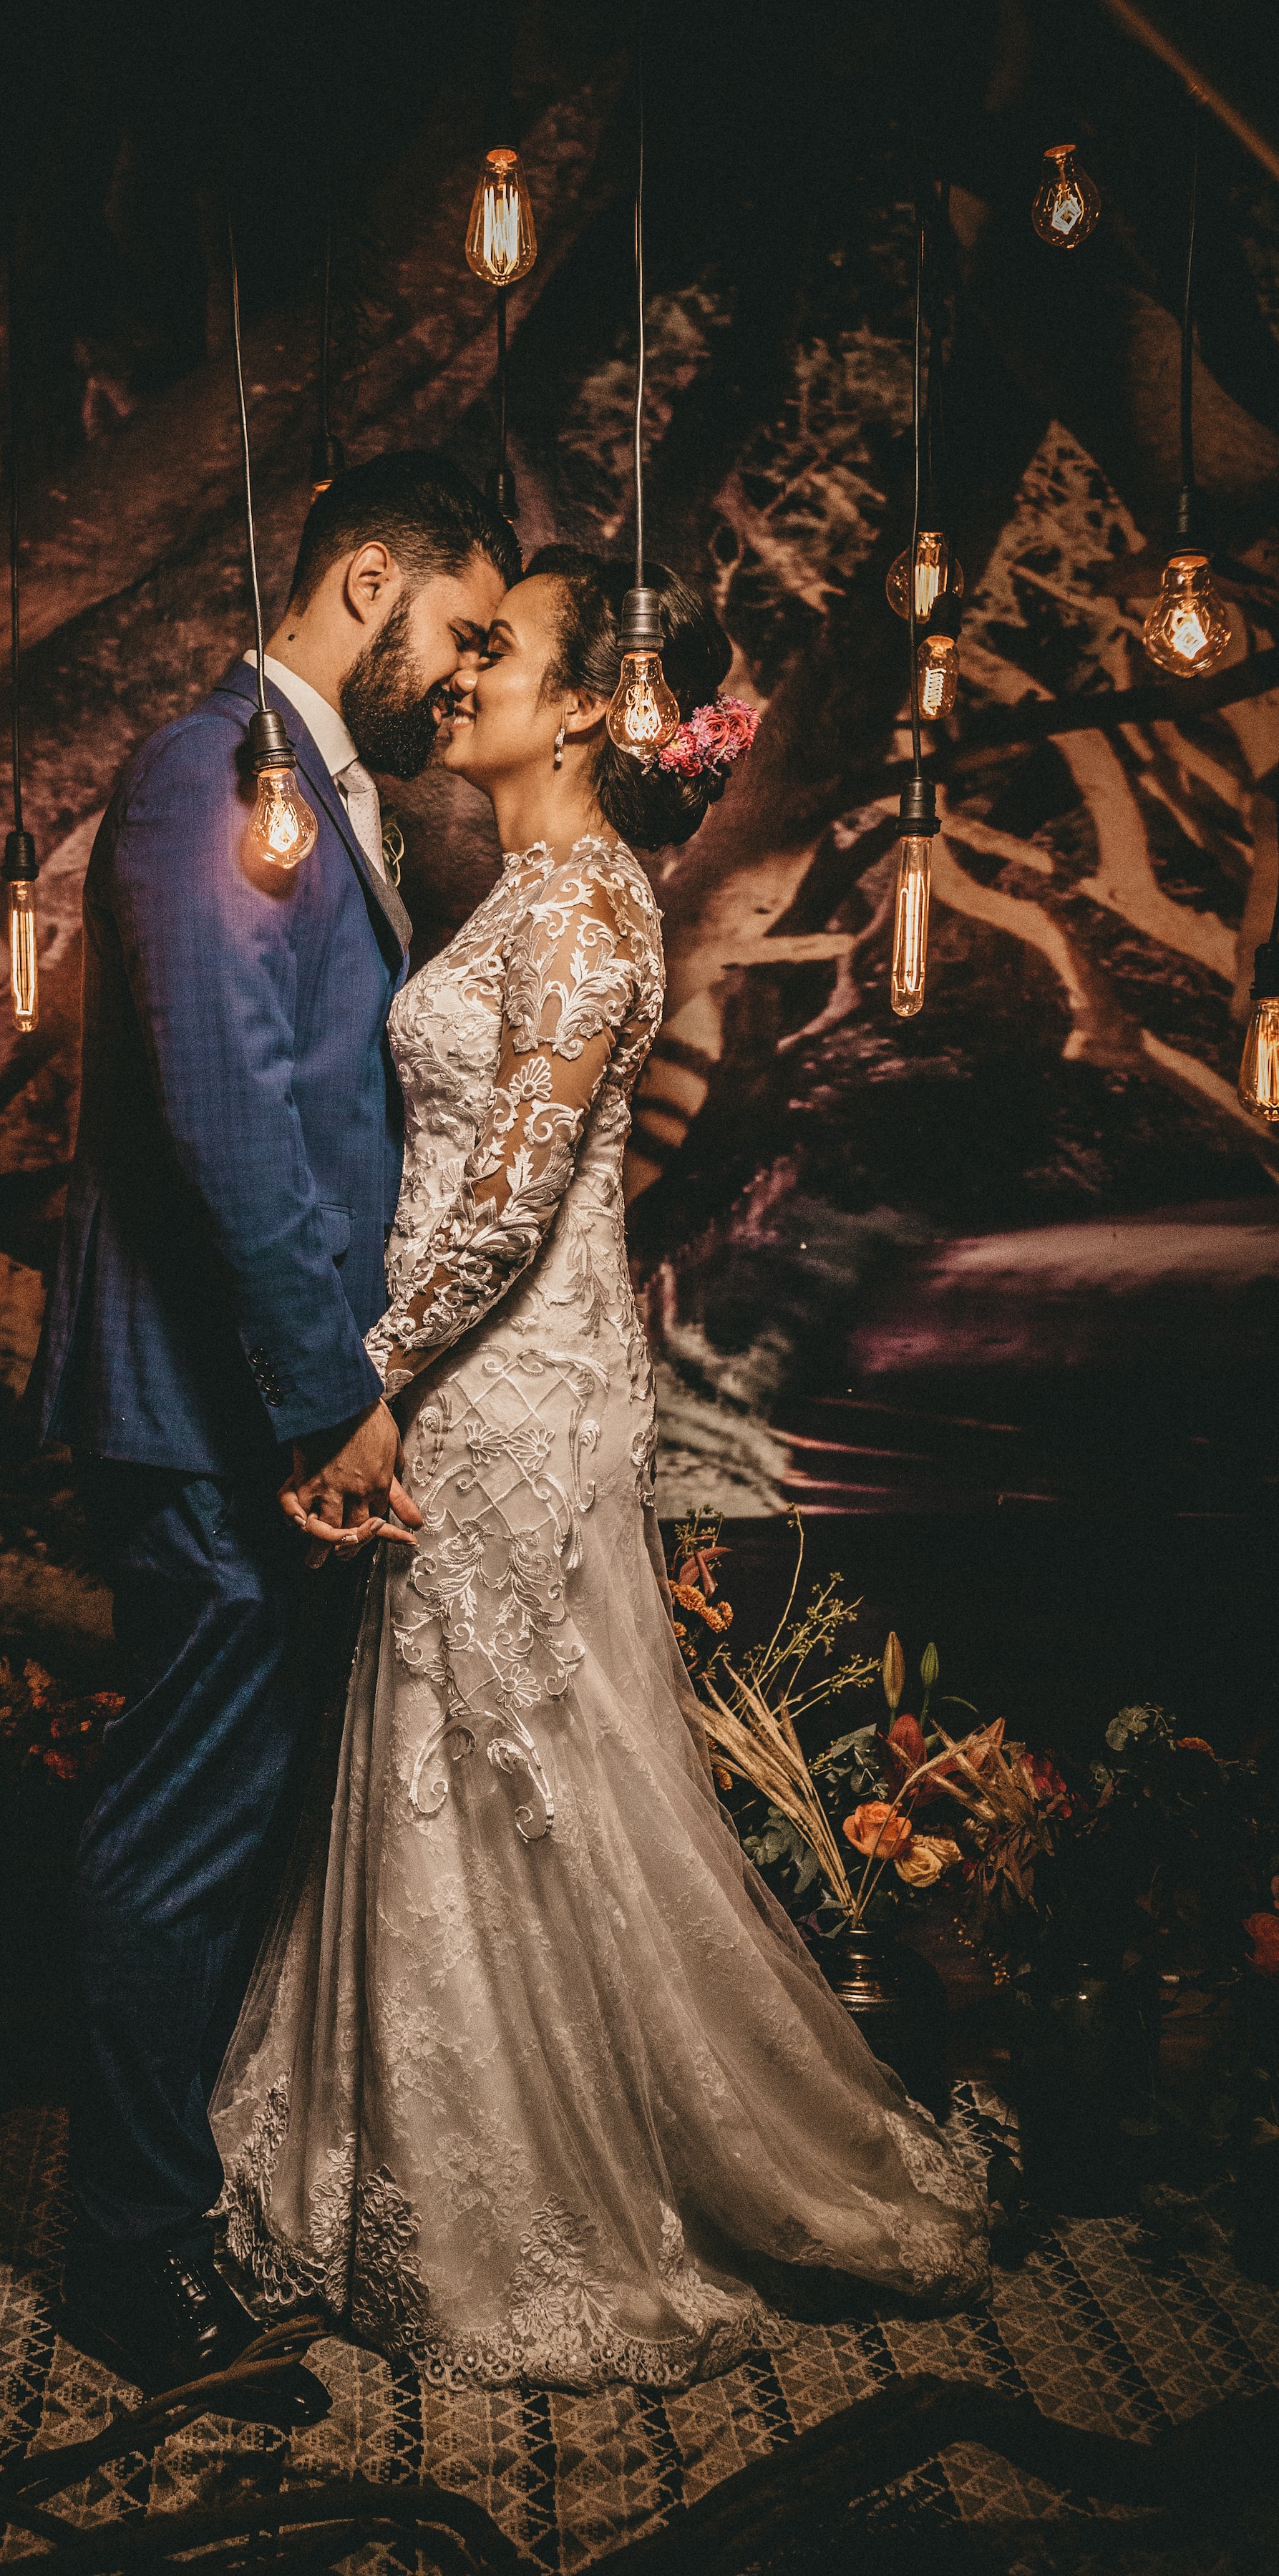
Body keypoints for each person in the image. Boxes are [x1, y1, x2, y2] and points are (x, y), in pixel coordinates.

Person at [210, 546, 991, 2390]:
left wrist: (363, 1385)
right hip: (478, 1390)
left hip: (502, 1390)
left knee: (513, 1766)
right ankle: (419, 2150)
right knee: (457, 1769)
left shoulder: (582, 915)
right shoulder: (539, 891)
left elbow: (500, 1212)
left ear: (587, 706)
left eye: (499, 648)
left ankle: (560, 2189)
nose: (460, 667)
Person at [25, 452, 519, 2404]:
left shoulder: (319, 788)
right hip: (218, 1413)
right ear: (366, 575)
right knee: (184, 1832)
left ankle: (170, 2212)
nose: (469, 667)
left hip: (258, 1406)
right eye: (462, 627)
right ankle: (127, 2263)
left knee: (227, 1830)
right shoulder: (209, 770)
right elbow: (229, 1107)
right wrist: (332, 1409)